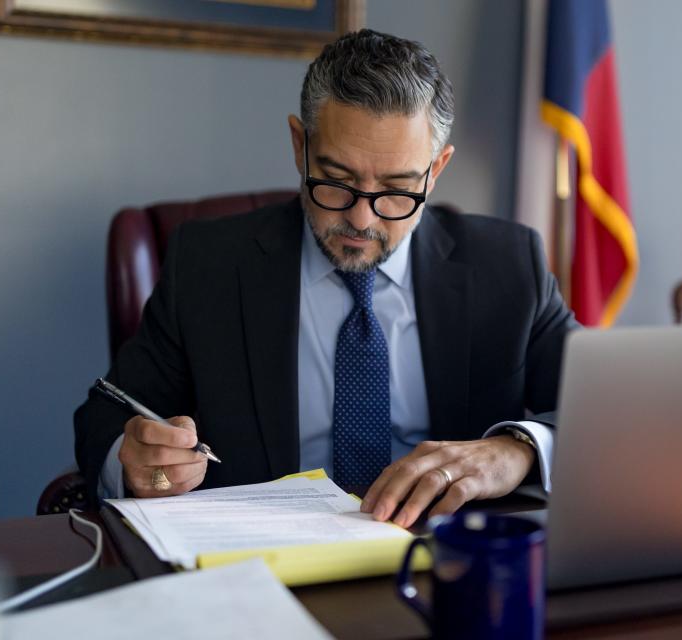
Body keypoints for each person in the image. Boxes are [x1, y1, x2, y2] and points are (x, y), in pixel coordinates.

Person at [74, 28, 579, 529]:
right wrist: (137, 462)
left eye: (398, 190)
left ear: (436, 170)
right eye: (337, 183)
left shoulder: (508, 266)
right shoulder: (208, 265)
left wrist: (518, 450)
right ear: (300, 146)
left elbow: (610, 417)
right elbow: (105, 417)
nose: (361, 220)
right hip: (265, 564)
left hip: (450, 564)